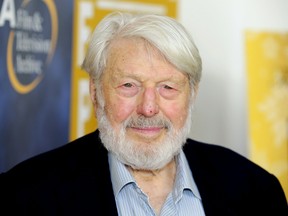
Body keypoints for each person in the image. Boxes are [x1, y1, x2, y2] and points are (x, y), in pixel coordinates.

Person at [0, 11, 287, 216]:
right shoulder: (25, 196)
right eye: (128, 85)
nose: (148, 108)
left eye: (168, 88)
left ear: (193, 94)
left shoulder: (256, 191)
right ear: (97, 92)